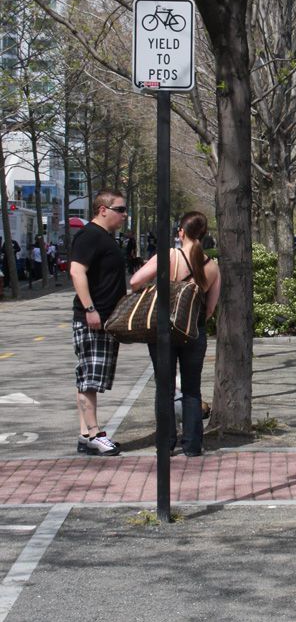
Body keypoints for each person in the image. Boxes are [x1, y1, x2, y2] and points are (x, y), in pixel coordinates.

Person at [130, 211, 220, 456]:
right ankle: (192, 445)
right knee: (192, 388)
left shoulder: (169, 256)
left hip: (164, 330)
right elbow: (210, 308)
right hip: (194, 331)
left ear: (181, 232)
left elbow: (135, 281)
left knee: (164, 387)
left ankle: (166, 443)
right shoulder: (211, 267)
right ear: (204, 233)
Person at [69, 189, 129, 455]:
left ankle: (85, 434)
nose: (125, 215)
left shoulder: (104, 237)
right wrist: (90, 308)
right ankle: (94, 434)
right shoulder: (90, 235)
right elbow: (76, 270)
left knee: (89, 378)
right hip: (93, 318)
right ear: (103, 210)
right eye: (120, 209)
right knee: (90, 378)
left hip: (104, 318)